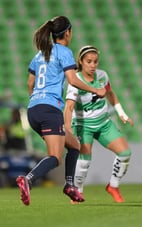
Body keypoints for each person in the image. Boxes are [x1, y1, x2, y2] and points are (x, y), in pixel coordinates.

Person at [16, 16, 106, 206]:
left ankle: (69, 185)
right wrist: (96, 89)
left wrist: (36, 100)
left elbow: (30, 83)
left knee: (74, 145)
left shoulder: (40, 54)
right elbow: (73, 80)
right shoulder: (64, 52)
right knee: (55, 157)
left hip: (33, 111)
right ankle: (28, 180)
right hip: (49, 110)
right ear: (68, 32)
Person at [64, 45, 133, 203]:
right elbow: (68, 106)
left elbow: (110, 93)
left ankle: (113, 186)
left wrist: (121, 113)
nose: (93, 65)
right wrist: (68, 128)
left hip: (103, 123)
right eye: (89, 61)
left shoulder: (102, 76)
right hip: (83, 125)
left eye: (95, 61)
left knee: (125, 153)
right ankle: (77, 192)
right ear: (80, 62)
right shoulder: (75, 80)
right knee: (84, 161)